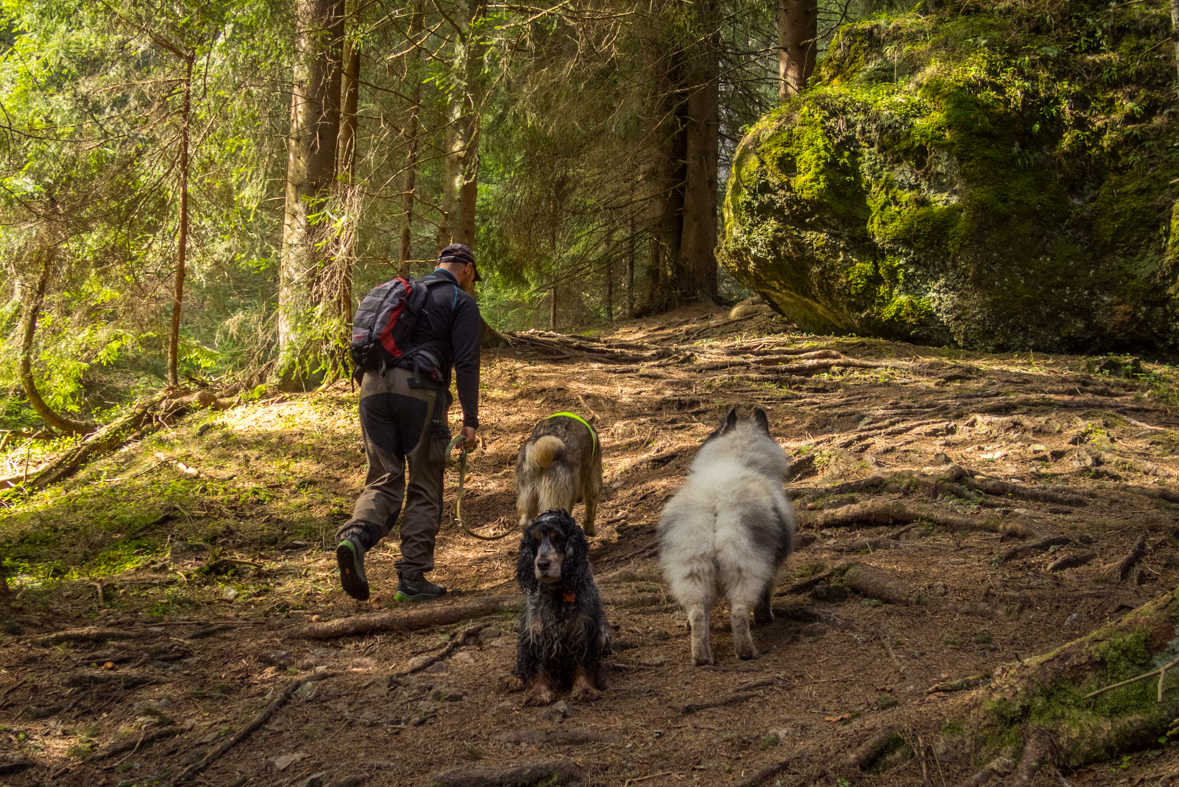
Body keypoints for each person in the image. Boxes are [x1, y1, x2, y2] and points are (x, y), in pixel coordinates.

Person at [336, 243, 482, 602]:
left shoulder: (408, 294)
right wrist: (470, 420)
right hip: (418, 390)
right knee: (425, 481)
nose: (473, 284)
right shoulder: (459, 301)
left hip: (371, 387)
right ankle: (412, 577)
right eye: (475, 278)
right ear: (467, 269)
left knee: (384, 476)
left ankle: (355, 537)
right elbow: (466, 364)